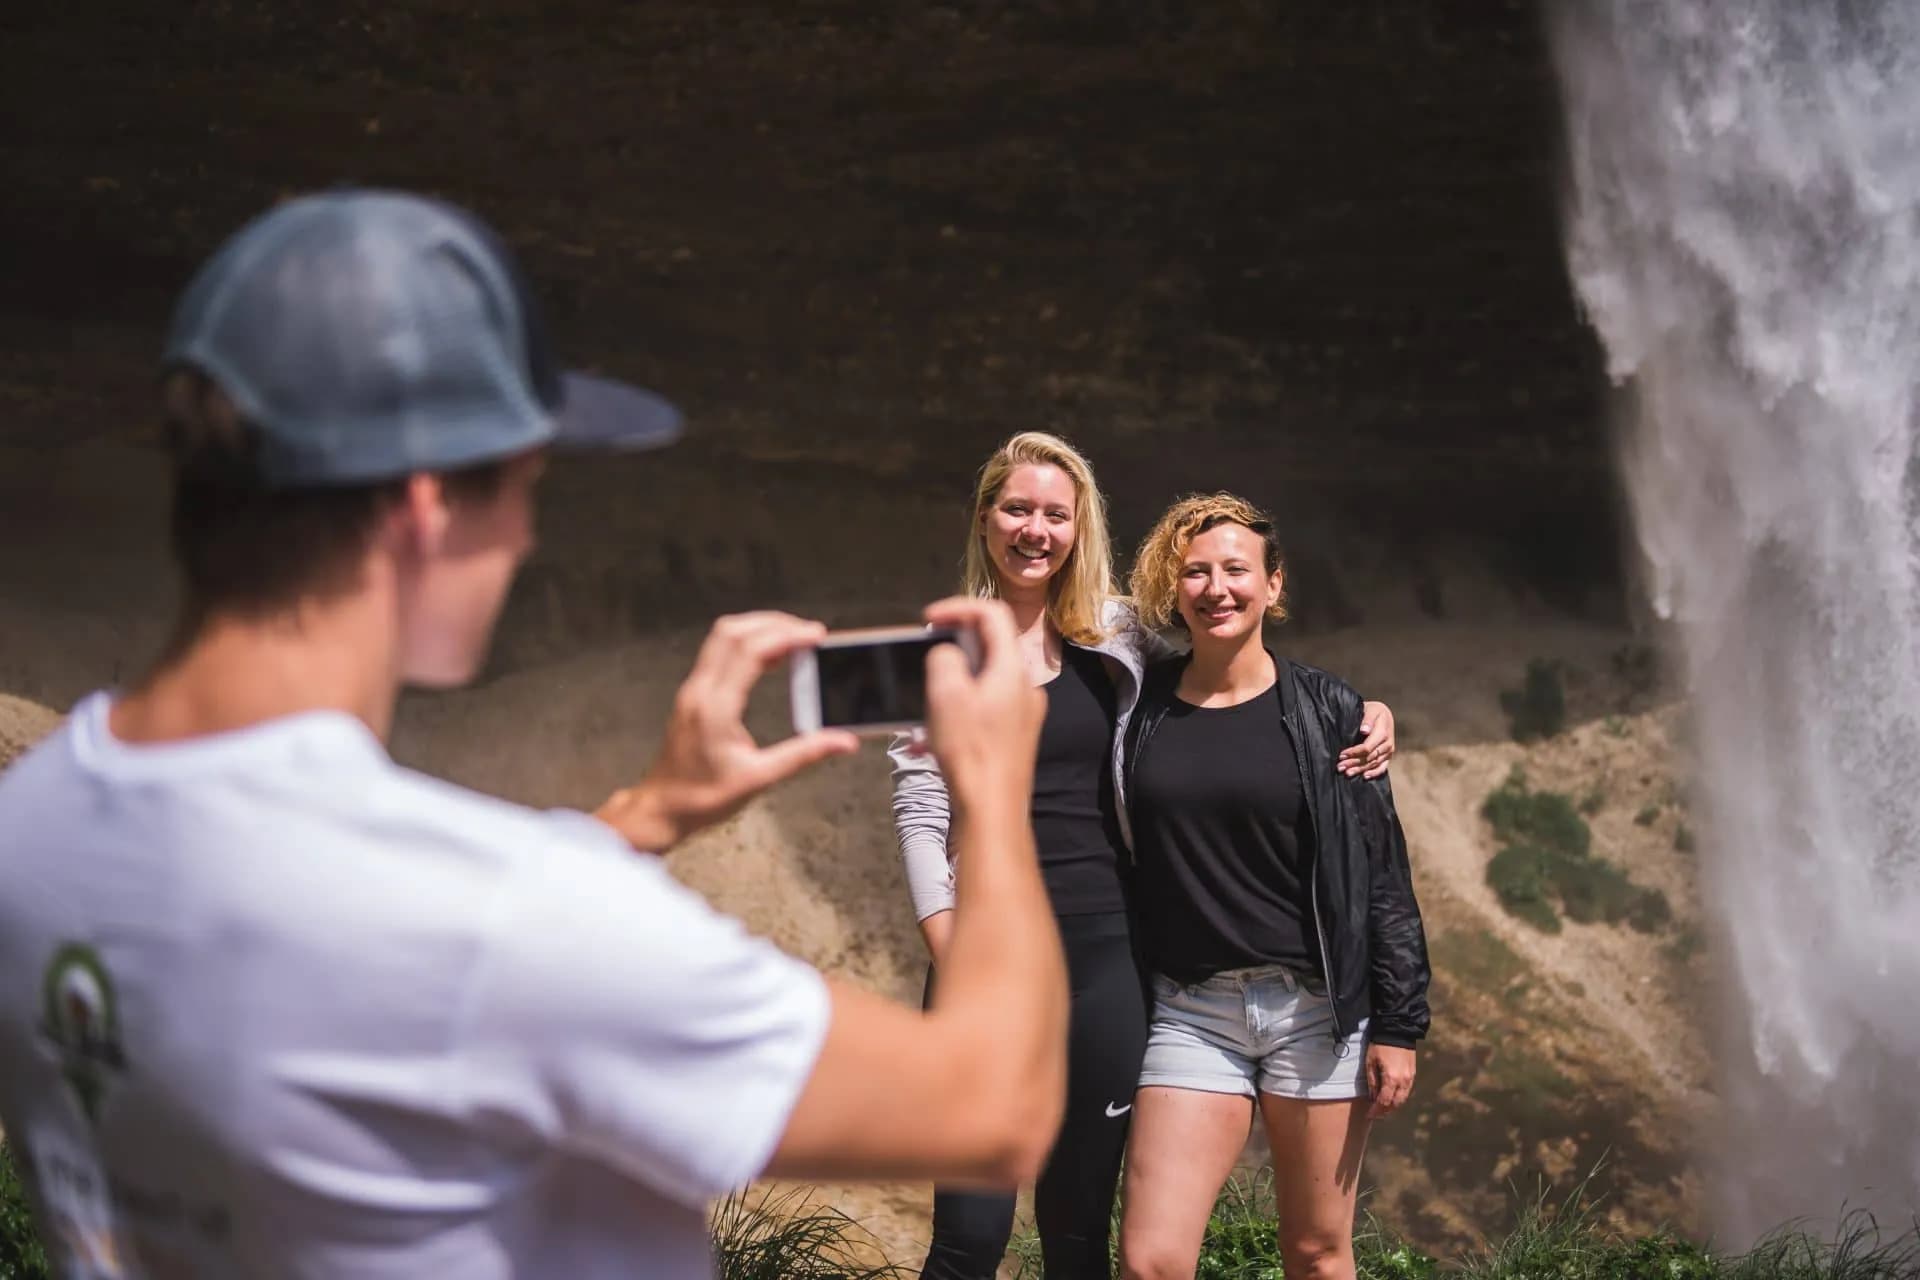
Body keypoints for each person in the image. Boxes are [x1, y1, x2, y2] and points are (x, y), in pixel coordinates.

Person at [0, 190, 1073, 1280]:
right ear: (425, 507)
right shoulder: (513, 920)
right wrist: (993, 790)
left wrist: (647, 811)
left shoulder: (31, 825)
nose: (523, 537)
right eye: (524, 488)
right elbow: (993, 1110)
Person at [890, 436, 1399, 1279]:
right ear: (984, 520)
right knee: (968, 1238)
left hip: (1106, 958)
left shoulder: (1117, 633)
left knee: (1078, 1229)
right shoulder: (941, 650)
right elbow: (919, 811)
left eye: (1056, 514)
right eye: (1017, 510)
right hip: (984, 951)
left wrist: (1360, 708)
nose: (1036, 531)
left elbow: (1229, 671)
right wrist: (952, 951)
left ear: (1079, 526)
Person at [1114, 493, 1430, 1280]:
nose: (1216, 588)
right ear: (1173, 587)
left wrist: (1399, 1025)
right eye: (1195, 572)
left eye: (1236, 569)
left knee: (1317, 1253)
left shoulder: (1332, 710)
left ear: (1273, 584)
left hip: (1316, 1014)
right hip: (1190, 1011)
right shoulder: (1138, 707)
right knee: (1152, 1260)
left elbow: (1381, 874)